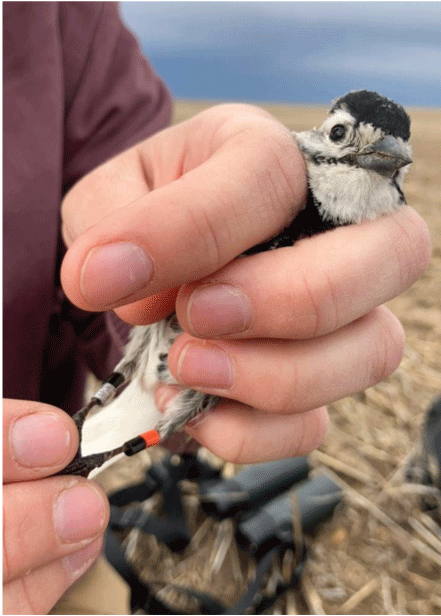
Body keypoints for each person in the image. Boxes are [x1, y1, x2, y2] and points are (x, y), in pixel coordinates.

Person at [3, 3, 431, 614]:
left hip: (52, 528)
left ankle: (93, 447)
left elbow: (104, 302)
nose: (371, 158)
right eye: (342, 137)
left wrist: (147, 276)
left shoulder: (64, 22)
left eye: (389, 155)